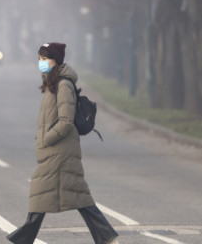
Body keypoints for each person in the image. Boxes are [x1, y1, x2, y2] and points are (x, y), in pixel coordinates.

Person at [7, 42, 119, 244]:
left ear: (55, 60)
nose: (41, 63)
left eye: (45, 59)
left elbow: (66, 121)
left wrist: (47, 138)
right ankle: (107, 238)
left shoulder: (63, 85)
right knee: (75, 196)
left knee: (43, 192)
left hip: (60, 151)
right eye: (39, 58)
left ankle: (22, 240)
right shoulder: (53, 82)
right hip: (57, 150)